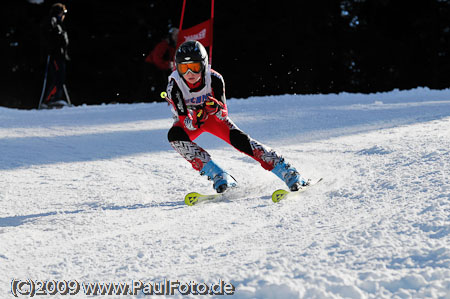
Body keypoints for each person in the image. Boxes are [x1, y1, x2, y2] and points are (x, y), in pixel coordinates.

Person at [166, 40, 309, 193]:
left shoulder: (214, 78)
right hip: (192, 122)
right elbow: (185, 121)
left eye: (194, 67)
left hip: (213, 119)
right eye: (184, 68)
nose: (190, 74)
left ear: (203, 64)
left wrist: (215, 108)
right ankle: (218, 175)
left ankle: (287, 171)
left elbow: (223, 113)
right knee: (174, 136)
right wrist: (196, 119)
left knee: (241, 141)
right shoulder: (174, 86)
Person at [40, 3, 70, 108]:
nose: (64, 15)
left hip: (60, 55)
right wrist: (51, 48)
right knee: (57, 77)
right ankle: (50, 99)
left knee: (60, 77)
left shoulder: (59, 23)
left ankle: (56, 98)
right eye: (63, 13)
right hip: (55, 55)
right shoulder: (52, 20)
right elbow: (47, 35)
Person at [145, 27, 179, 101]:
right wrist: (168, 65)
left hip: (161, 68)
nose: (177, 37)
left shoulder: (174, 46)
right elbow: (157, 60)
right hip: (152, 67)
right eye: (175, 35)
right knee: (157, 83)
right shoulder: (163, 45)